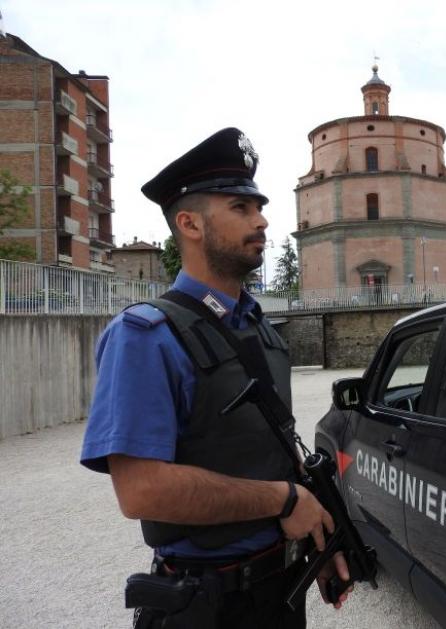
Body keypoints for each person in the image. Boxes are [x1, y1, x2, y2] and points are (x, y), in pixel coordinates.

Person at [80, 127, 350, 628]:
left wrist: (318, 538)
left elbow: (266, 452)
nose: (263, 221)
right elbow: (142, 491)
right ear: (190, 223)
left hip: (281, 592)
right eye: (240, 208)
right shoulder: (145, 336)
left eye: (259, 207)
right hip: (204, 605)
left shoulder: (262, 330)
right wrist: (284, 499)